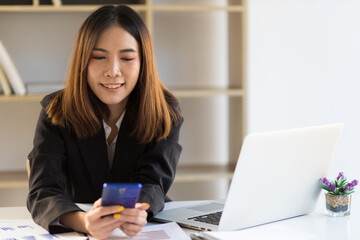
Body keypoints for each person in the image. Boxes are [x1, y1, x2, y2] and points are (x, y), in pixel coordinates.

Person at [26, 5, 183, 239]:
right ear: (83, 62)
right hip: (76, 227)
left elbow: (153, 183)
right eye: (99, 57)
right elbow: (43, 191)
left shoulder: (164, 111)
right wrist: (85, 222)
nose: (113, 71)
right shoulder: (56, 110)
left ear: (143, 63)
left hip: (141, 228)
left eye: (127, 58)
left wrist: (137, 213)